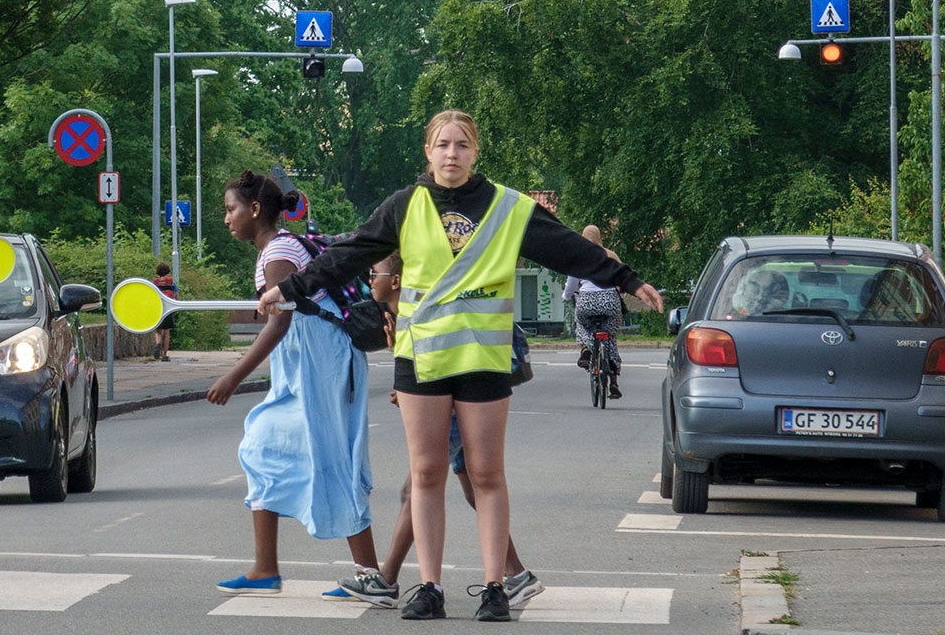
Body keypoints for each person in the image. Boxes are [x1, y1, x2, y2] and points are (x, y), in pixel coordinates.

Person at [264, 110, 663, 622]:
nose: (451, 153)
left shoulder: (508, 206)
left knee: (486, 473)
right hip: (422, 359)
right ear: (428, 152)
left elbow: (569, 249)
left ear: (475, 152)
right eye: (442, 144)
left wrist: (628, 280)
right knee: (427, 472)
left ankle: (496, 587)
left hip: (482, 358)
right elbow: (351, 254)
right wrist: (288, 288)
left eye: (462, 145)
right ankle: (429, 587)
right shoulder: (404, 205)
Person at [205, 172, 388, 603]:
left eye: (231, 209)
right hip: (308, 361)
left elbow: (281, 320)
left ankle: (371, 576)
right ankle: (265, 568)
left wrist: (233, 376)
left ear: (254, 210)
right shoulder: (277, 248)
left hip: (321, 359)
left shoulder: (279, 251)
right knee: (262, 448)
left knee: (332, 457)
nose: (226, 219)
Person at [355, 255, 544, 608]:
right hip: (454, 400)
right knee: (473, 488)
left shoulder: (416, 309)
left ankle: (388, 579)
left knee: (421, 485)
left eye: (374, 272)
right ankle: (517, 574)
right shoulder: (400, 312)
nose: (368, 280)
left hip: (457, 404)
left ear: (395, 280)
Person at [564, 224, 626, 399]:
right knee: (610, 338)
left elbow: (571, 286)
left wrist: (566, 296)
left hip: (586, 301)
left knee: (582, 324)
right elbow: (623, 279)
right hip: (610, 301)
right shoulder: (611, 255)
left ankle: (586, 349)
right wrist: (622, 293)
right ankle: (614, 383)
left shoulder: (578, 257)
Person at [151, 261, 178, 361]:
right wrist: (176, 307)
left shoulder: (154, 284)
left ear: (157, 272)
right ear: (168, 272)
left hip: (158, 309)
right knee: (167, 332)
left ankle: (158, 344)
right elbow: (177, 296)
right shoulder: (172, 283)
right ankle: (164, 355)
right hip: (168, 308)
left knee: (158, 331)